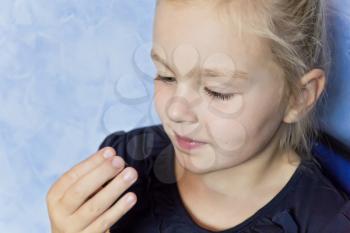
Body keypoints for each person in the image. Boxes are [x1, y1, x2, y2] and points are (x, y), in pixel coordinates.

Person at [46, 0, 350, 232]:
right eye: (166, 76)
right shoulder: (123, 170)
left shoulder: (324, 221)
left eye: (217, 91)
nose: (175, 110)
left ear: (298, 96)